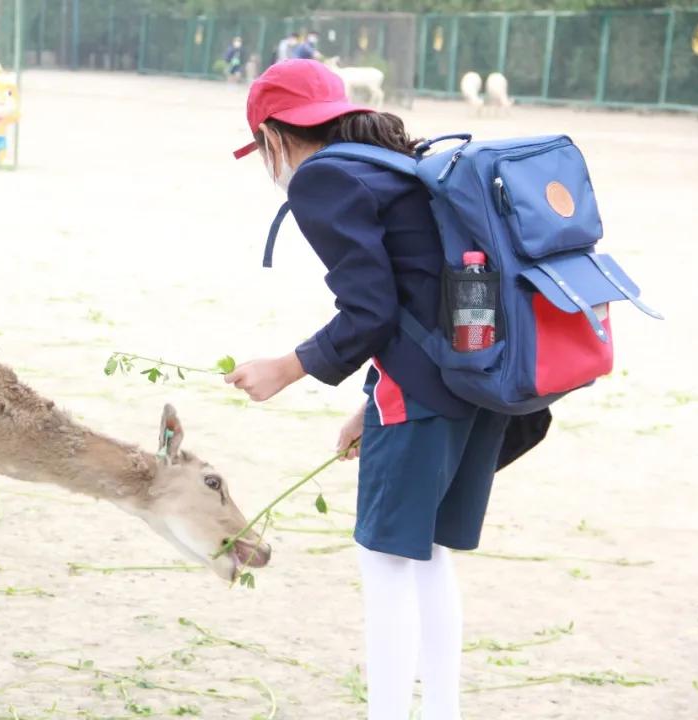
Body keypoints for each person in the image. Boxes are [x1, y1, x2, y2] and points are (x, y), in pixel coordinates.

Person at [225, 59, 516, 720]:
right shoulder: (392, 160)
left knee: (384, 563)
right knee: (431, 556)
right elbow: (418, 290)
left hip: (423, 393)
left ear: (273, 134)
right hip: (474, 380)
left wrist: (288, 366)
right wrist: (369, 400)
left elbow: (372, 312)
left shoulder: (323, 180)